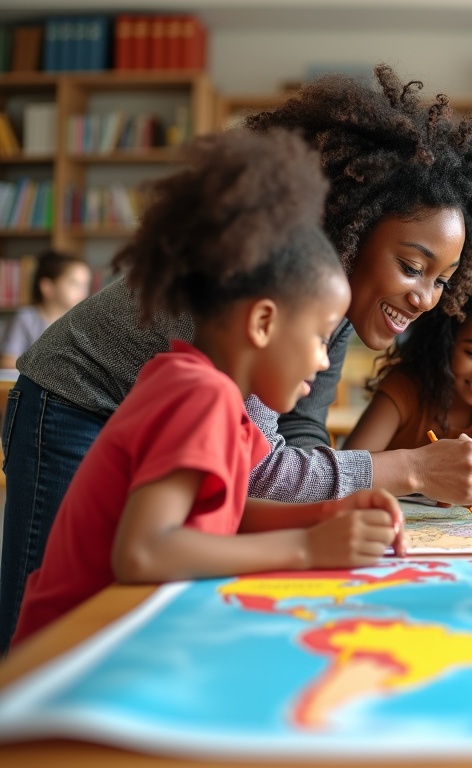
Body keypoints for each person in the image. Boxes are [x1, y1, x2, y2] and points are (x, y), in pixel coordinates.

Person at [0, 64, 472, 654]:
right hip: (76, 403)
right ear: (349, 232)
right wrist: (406, 472)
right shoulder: (247, 307)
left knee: (111, 623)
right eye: (412, 266)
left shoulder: (314, 306)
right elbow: (258, 475)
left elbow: (280, 450)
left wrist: (331, 509)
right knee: (44, 636)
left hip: (154, 426)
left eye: (442, 280)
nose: (426, 297)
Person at [10, 129, 407, 649]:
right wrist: (307, 547)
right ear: (263, 322)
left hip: (111, 636)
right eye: (316, 338)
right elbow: (145, 551)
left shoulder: (219, 397)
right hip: (68, 653)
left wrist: (328, 513)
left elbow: (226, 512)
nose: (321, 359)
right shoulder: (199, 396)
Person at [345, 262, 472, 483]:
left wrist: (469, 473)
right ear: (442, 343)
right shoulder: (405, 388)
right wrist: (431, 475)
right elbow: (348, 469)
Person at [0, 249, 90, 369]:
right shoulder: (26, 318)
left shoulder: (82, 322)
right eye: (74, 284)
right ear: (47, 286)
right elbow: (8, 361)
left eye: (85, 285)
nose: (83, 291)